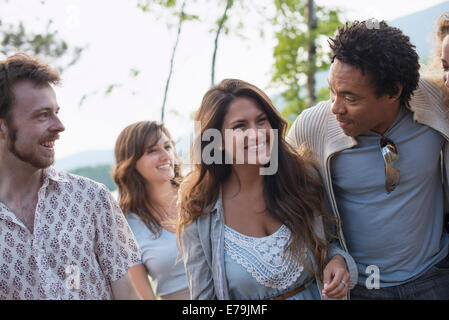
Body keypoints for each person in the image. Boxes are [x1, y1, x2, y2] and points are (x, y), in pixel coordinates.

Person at [286, 20, 449, 299]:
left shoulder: (435, 101)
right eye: (332, 91)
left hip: (436, 277)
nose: (336, 107)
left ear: (394, 92)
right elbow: (280, 197)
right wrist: (332, 254)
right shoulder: (312, 127)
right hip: (363, 288)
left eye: (350, 98)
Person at [177, 78, 357, 300]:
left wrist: (338, 261)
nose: (256, 133)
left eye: (261, 121)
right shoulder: (199, 209)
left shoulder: (303, 178)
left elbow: (333, 242)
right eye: (240, 126)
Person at [0, 53, 141, 300]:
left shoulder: (92, 198)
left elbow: (126, 293)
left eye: (56, 111)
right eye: (42, 114)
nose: (59, 125)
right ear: (2, 127)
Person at [112, 121, 189, 300]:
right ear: (131, 162)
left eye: (168, 146)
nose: (165, 156)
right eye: (153, 150)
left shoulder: (202, 196)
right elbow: (144, 296)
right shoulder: (127, 227)